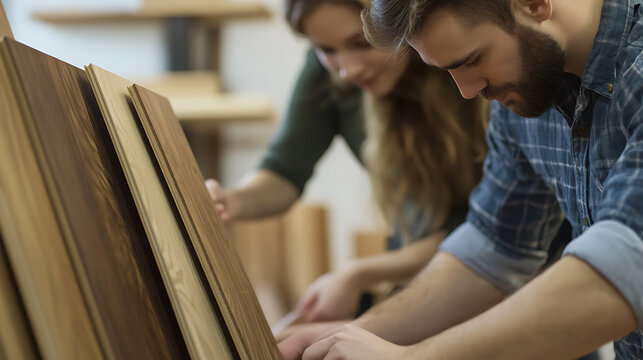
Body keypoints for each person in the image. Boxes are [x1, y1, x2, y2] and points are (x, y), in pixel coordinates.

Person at [278, 0, 643, 359]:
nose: (467, 90)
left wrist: (412, 357)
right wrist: (356, 333)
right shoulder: (526, 85)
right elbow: (494, 247)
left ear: (533, 5)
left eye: (472, 60)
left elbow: (626, 262)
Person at [206, 0, 488, 323]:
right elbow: (284, 168)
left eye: (362, 42)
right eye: (326, 49)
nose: (347, 69)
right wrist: (232, 201)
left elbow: (487, 229)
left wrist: (359, 274)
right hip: (419, 264)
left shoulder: (458, 70)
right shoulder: (328, 75)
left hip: (495, 273)